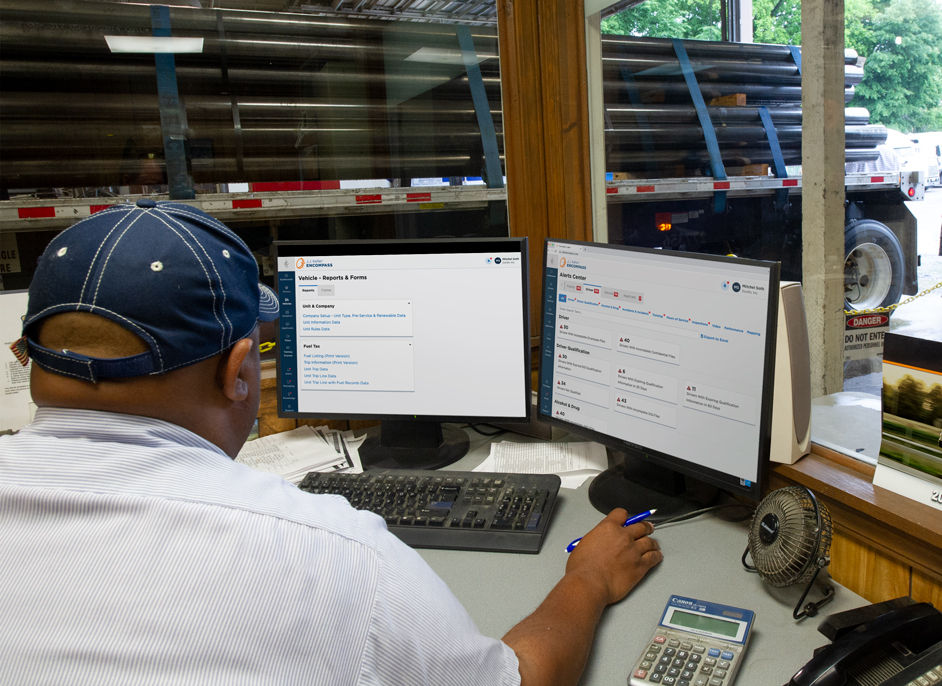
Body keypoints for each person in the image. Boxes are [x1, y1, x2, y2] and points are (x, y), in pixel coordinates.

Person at [0, 200, 662, 685]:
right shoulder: (329, 552)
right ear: (237, 375)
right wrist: (590, 578)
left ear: (25, 357)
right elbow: (521, 679)